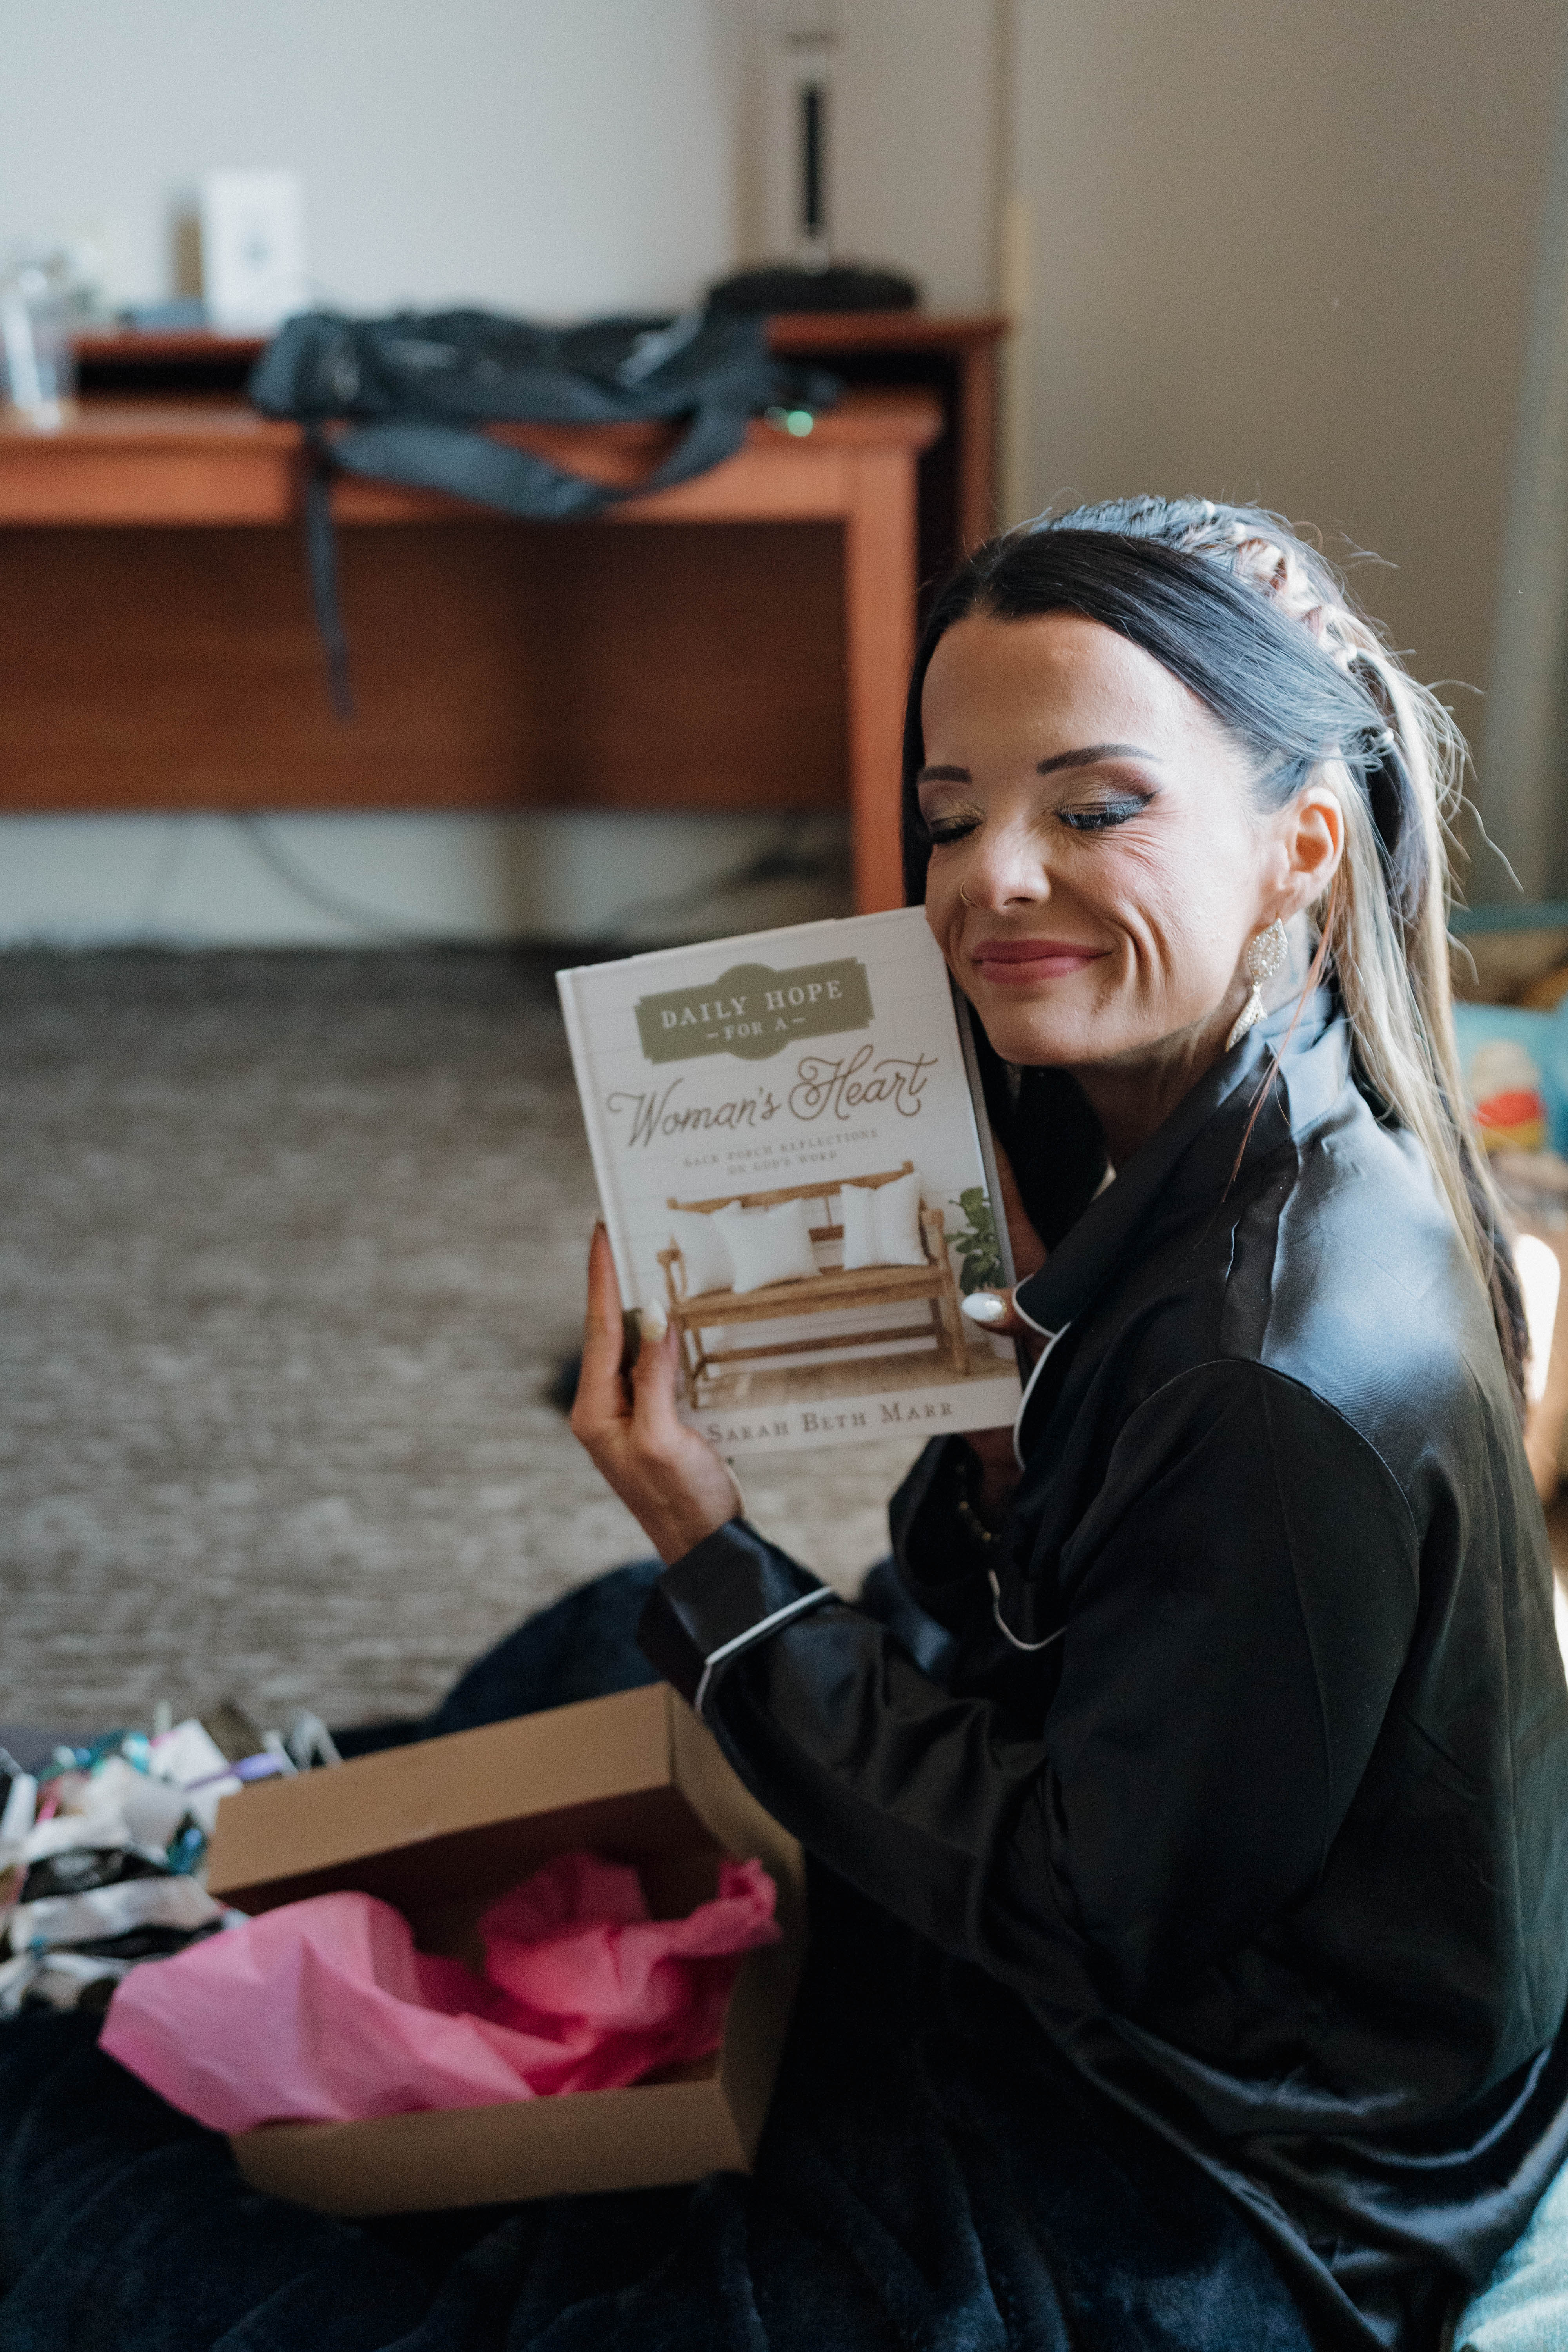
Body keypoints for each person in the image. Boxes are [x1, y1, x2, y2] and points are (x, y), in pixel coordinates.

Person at [570, 497, 1568, 2351]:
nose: (988, 878)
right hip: (1269, 1964)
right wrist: (1012, 1439)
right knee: (587, 1707)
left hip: (1271, 2161)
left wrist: (712, 1550)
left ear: (1299, 844)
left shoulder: (1268, 1366)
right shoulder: (1223, 1119)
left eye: (1093, 805)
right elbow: (1107, 1630)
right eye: (952, 811)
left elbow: (1087, 1912)